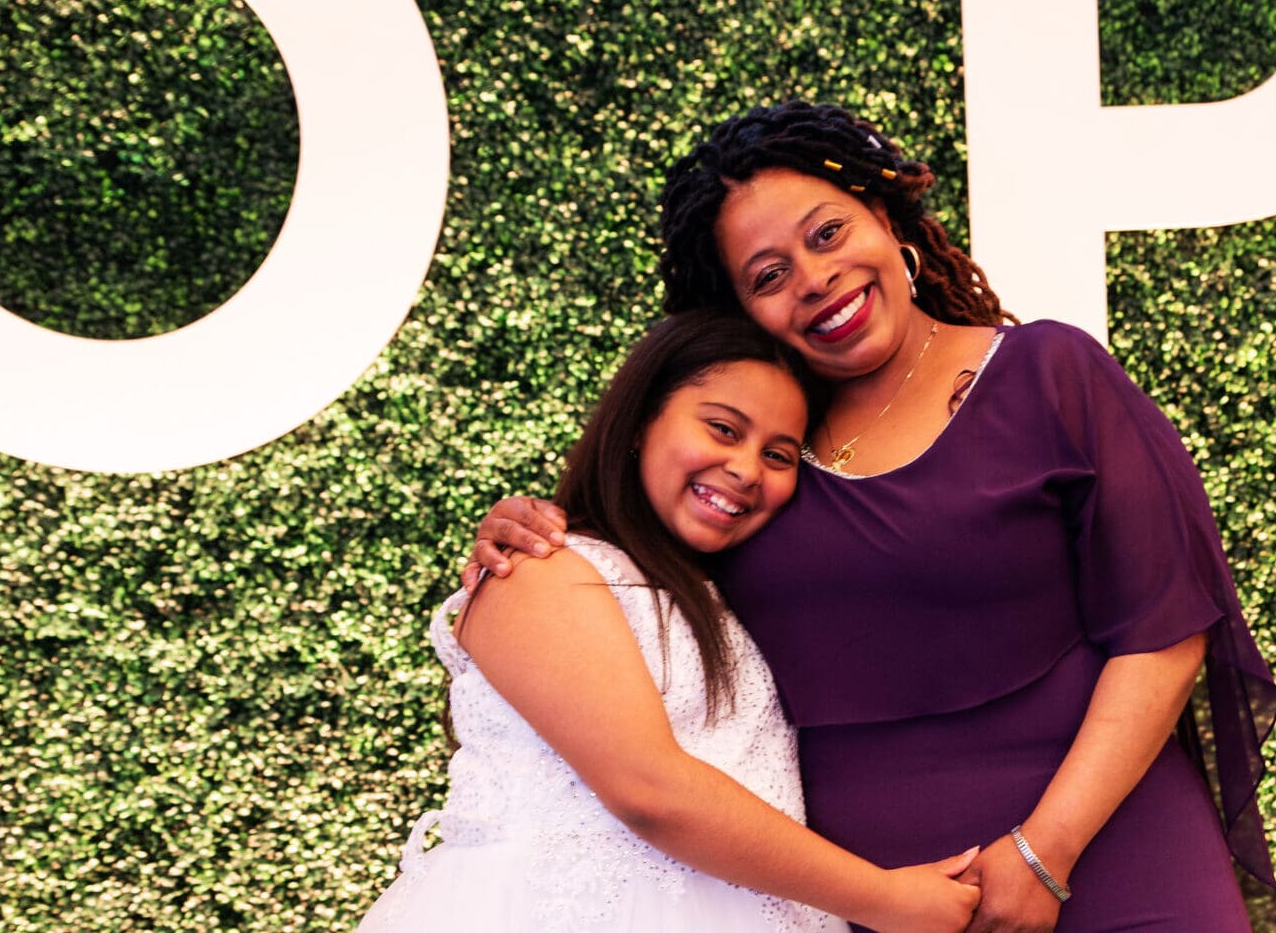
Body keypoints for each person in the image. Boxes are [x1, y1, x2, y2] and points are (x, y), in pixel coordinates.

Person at [469, 102, 1276, 933]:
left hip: (1113, 853)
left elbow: (1164, 627)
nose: (814, 277)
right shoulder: (751, 454)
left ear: (888, 217)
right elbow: (619, 596)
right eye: (768, 274)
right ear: (739, 312)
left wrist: (1047, 851)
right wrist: (533, 531)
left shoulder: (1052, 373)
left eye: (826, 234)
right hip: (870, 901)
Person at [361, 309, 983, 933]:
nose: (745, 468)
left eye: (778, 454)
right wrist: (885, 899)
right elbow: (649, 791)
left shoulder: (722, 598)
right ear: (640, 421)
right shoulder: (543, 569)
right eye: (721, 428)